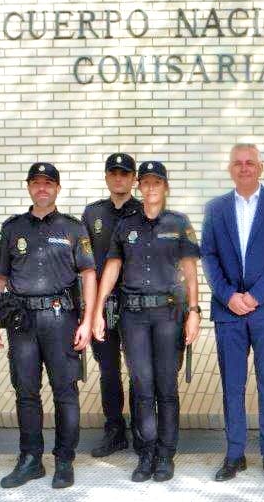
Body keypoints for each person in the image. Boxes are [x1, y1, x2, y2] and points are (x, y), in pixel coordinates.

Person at [0, 162, 96, 489]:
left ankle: (64, 461)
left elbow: (89, 274)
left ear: (58, 188)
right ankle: (31, 459)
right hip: (22, 322)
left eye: (49, 183)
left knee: (65, 392)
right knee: (26, 392)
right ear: (29, 187)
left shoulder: (73, 229)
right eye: (36, 183)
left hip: (61, 319)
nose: (42, 188)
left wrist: (88, 320)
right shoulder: (13, 228)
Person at [91, 160, 201, 482]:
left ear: (166, 187)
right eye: (147, 183)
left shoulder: (179, 223)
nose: (151, 188)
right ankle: (147, 452)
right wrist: (97, 310)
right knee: (142, 385)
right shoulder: (126, 225)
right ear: (140, 186)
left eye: (158, 183)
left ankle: (166, 454)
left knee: (166, 386)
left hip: (169, 315)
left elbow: (191, 272)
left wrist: (194, 312)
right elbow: (111, 268)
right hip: (134, 317)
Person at [201, 143, 264, 482]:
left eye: (250, 163)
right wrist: (229, 296)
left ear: (260, 167)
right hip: (228, 312)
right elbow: (208, 257)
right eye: (238, 163)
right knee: (233, 385)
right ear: (230, 169)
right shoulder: (215, 208)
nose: (244, 168)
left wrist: (254, 296)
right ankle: (234, 453)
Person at [81, 153, 142, 458]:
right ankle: (114, 429)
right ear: (106, 177)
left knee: (138, 370)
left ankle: (142, 431)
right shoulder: (93, 214)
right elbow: (83, 265)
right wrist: (87, 311)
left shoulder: (145, 212)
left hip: (136, 306)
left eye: (125, 174)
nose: (119, 179)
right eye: (113, 173)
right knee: (108, 371)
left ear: (134, 179)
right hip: (102, 307)